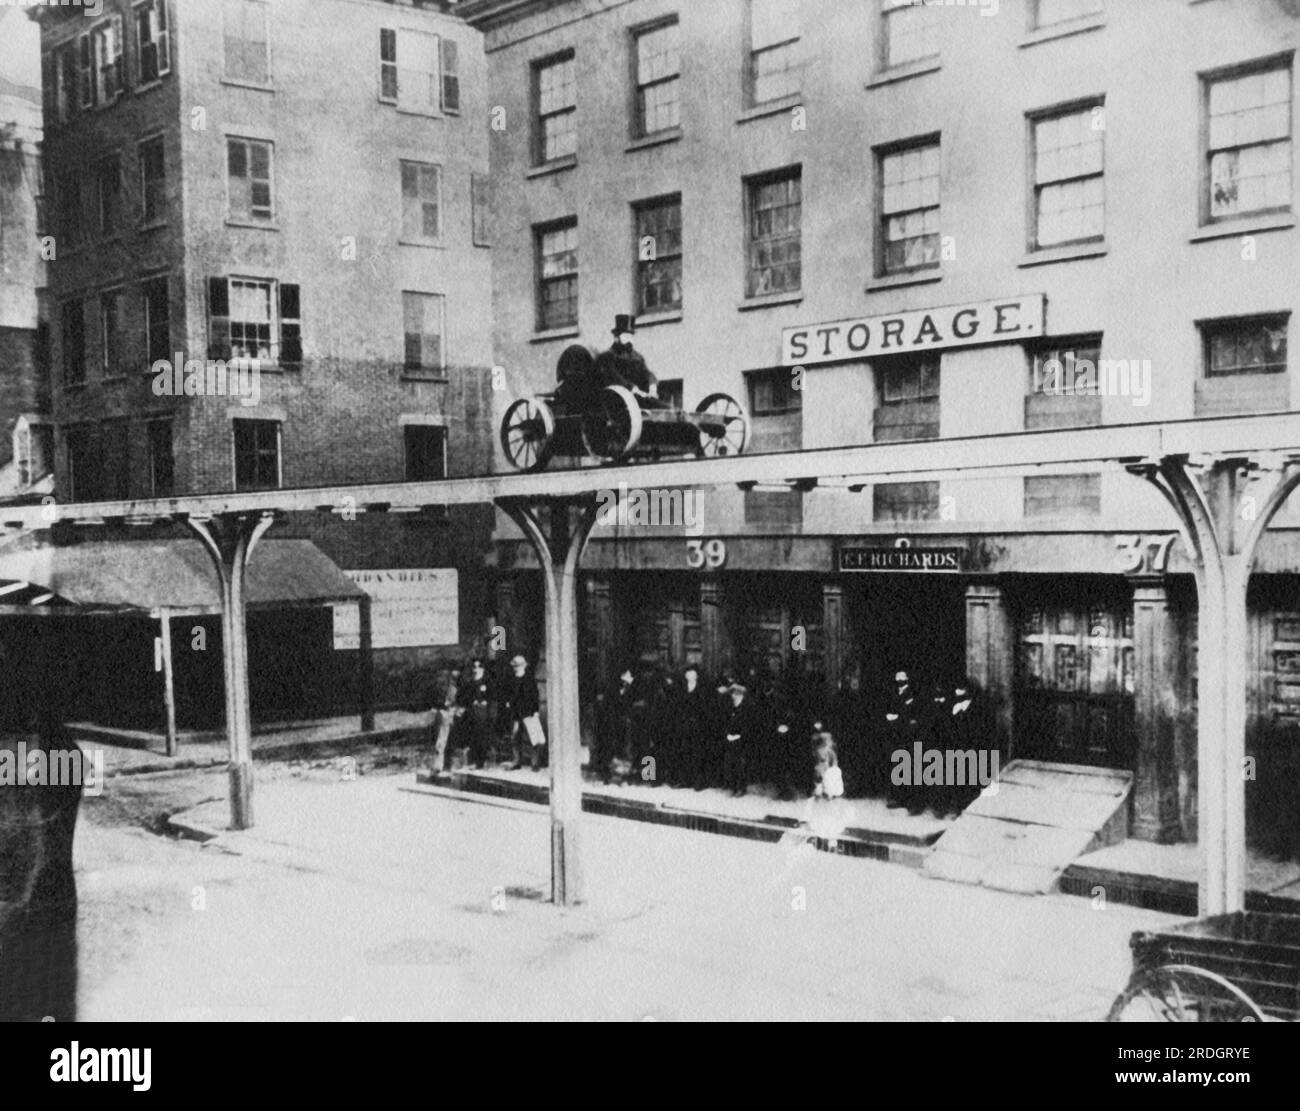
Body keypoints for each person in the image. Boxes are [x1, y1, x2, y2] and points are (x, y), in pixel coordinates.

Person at [594, 315, 662, 403]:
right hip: (616, 401)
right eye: (625, 337)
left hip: (639, 398)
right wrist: (633, 389)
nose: (629, 341)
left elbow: (647, 373)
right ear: (616, 338)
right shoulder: (606, 357)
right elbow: (614, 377)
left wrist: (652, 385)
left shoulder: (638, 358)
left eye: (631, 337)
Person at [884, 669, 922, 812]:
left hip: (906, 736)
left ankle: (909, 800)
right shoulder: (893, 694)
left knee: (907, 766)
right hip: (893, 736)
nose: (900, 681)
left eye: (902, 678)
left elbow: (912, 715)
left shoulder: (911, 695)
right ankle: (896, 797)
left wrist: (898, 718)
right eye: (897, 679)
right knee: (895, 766)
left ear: (907, 679)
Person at [500, 654, 543, 771]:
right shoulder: (512, 680)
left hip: (528, 712)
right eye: (515, 666)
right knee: (515, 737)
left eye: (518, 666)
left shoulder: (529, 679)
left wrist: (535, 711)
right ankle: (517, 761)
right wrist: (508, 702)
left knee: (533, 738)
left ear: (523, 666)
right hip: (516, 712)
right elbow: (508, 694)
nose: (516, 668)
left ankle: (535, 763)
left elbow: (535, 696)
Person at [720, 680, 761, 797]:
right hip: (730, 738)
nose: (735, 696)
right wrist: (728, 734)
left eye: (737, 694)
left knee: (741, 764)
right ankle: (733, 786)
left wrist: (739, 735)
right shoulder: (729, 706)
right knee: (730, 762)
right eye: (733, 694)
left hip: (744, 740)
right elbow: (725, 721)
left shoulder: (749, 707)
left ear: (742, 694)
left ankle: (741, 788)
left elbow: (750, 725)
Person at [456, 658, 494, 769]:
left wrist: (486, 702)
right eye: (475, 667)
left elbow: (492, 696)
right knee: (473, 737)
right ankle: (473, 761)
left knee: (482, 737)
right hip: (473, 713)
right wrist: (472, 701)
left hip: (484, 713)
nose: (477, 669)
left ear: (483, 668)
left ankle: (481, 761)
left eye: (479, 667)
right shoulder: (471, 682)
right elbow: (466, 697)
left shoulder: (487, 681)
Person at [427, 662, 463, 776]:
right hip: (445, 714)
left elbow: (458, 701)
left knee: (449, 741)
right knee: (441, 740)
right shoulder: (443, 687)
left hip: (452, 714)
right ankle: (439, 765)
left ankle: (449, 765)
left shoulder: (457, 688)